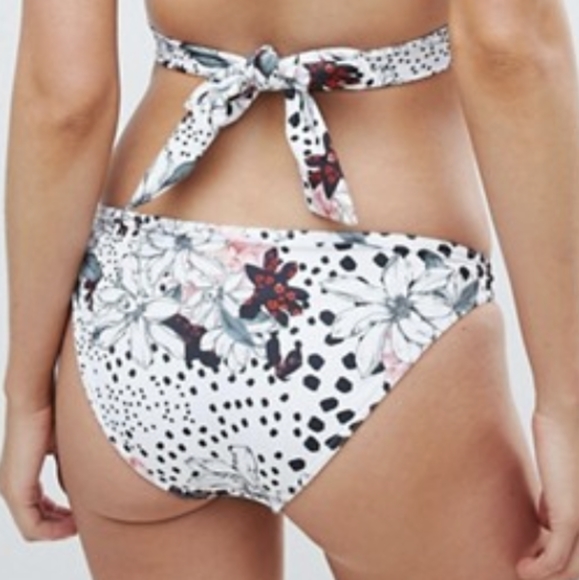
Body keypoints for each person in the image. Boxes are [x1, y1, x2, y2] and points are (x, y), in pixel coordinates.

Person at [1, 0, 579, 578]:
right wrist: (565, 406)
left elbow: (64, 100)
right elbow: (510, 48)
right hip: (377, 302)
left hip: (145, 302)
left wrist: (26, 394)